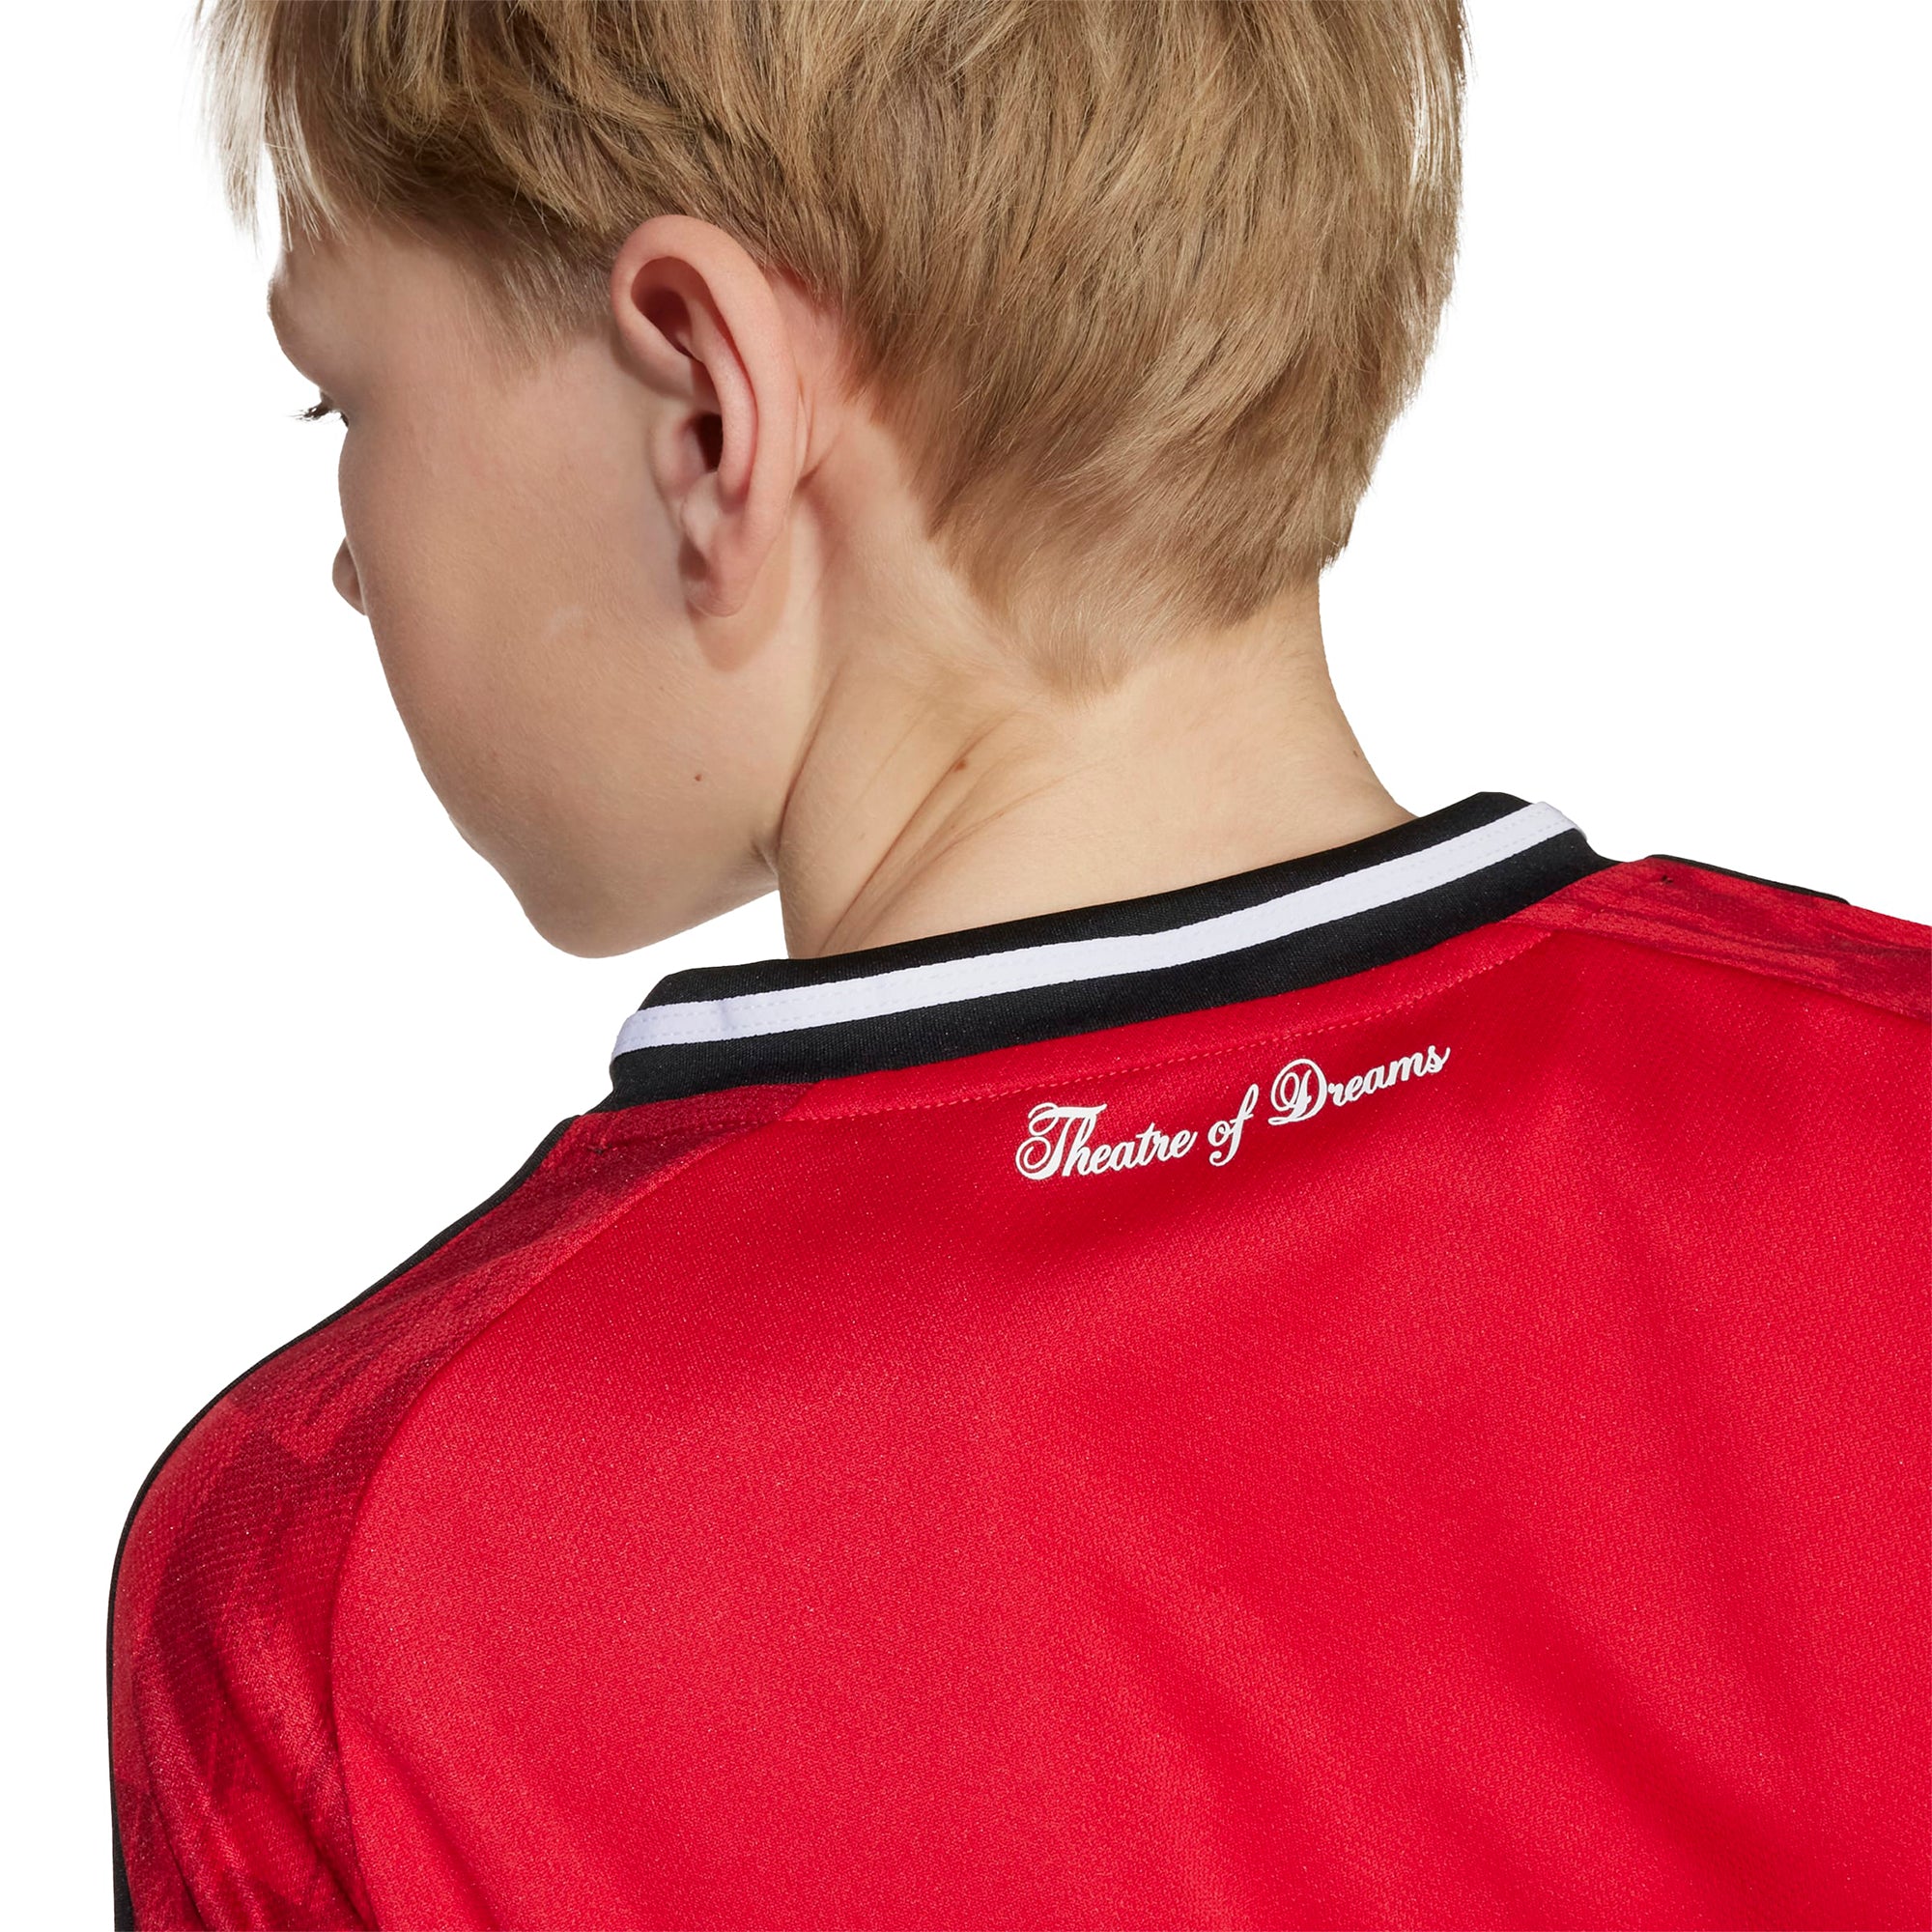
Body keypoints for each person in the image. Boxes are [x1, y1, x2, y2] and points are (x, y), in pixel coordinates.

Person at [108, 2, 1928, 1926]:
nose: (350, 558)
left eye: (342, 404)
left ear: (708, 412)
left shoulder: (364, 1570)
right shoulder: (1882, 1120)